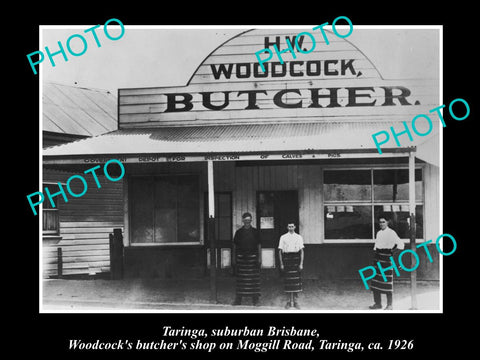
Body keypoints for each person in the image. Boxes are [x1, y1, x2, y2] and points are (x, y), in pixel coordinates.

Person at [369, 215, 405, 310]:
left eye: (383, 222)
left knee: (387, 282)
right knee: (375, 282)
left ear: (387, 222)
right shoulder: (378, 233)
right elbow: (376, 246)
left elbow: (401, 244)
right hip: (378, 259)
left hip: (387, 259)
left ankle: (389, 305)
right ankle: (378, 303)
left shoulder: (392, 233)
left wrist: (392, 252)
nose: (381, 224)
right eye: (380, 222)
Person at [232, 212, 262, 306]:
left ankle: (255, 300)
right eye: (245, 220)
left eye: (249, 220)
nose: (247, 222)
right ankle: (238, 300)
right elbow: (234, 246)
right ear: (243, 221)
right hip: (241, 259)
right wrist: (233, 258)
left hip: (253, 259)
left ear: (251, 220)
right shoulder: (239, 232)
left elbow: (259, 245)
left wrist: (260, 258)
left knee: (254, 280)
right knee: (241, 280)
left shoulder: (255, 231)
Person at [278, 221, 304, 309]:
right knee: (288, 282)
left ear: (295, 227)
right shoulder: (283, 237)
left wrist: (301, 263)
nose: (291, 228)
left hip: (296, 259)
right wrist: (281, 264)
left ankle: (295, 302)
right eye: (289, 226)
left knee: (296, 282)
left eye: (292, 226)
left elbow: (302, 251)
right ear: (287, 227)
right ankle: (289, 301)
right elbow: (280, 251)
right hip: (287, 260)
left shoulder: (299, 237)